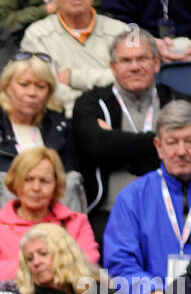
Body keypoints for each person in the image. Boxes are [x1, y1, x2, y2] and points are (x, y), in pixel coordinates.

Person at [72, 29, 184, 228]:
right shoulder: (92, 103)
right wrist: (161, 144)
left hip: (174, 211)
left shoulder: (179, 101)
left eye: (142, 58)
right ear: (112, 67)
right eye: (125, 60)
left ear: (157, 63)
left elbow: (185, 154)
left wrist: (119, 146)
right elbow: (97, 145)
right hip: (109, 215)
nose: (134, 67)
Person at [104, 100, 191, 294]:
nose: (182, 151)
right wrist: (148, 289)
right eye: (172, 142)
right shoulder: (133, 197)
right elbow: (119, 261)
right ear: (158, 147)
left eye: (189, 141)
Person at [0, 52, 76, 202]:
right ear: (7, 86)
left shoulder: (60, 129)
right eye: (24, 85)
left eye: (40, 86)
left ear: (49, 92)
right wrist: (20, 186)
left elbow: (70, 181)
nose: (32, 93)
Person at [18, 0, 128, 118]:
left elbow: (130, 81)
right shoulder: (37, 36)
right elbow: (46, 91)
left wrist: (73, 77)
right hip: (63, 123)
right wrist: (98, 101)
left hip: (117, 120)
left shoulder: (120, 32)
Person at [0, 145, 98, 283]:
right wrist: (57, 261)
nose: (36, 188)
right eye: (28, 179)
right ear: (15, 182)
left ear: (56, 185)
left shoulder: (76, 221)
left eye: (44, 181)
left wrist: (27, 264)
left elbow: (87, 266)